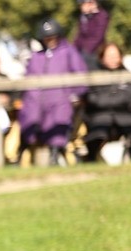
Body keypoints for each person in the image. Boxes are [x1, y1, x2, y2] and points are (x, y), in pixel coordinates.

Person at [17, 19, 87, 165]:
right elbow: (28, 80)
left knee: (60, 115)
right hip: (37, 100)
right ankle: (26, 152)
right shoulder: (37, 56)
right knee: (28, 114)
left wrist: (76, 94)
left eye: (53, 37)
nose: (50, 40)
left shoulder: (68, 52)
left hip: (61, 98)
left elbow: (81, 74)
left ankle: (55, 153)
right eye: (47, 37)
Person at [82, 42, 131, 161]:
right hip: (100, 116)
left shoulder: (128, 75)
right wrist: (116, 97)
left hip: (125, 115)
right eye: (109, 56)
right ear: (102, 58)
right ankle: (91, 158)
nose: (113, 59)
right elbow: (93, 99)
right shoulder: (94, 76)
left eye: (115, 56)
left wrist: (109, 98)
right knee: (97, 135)